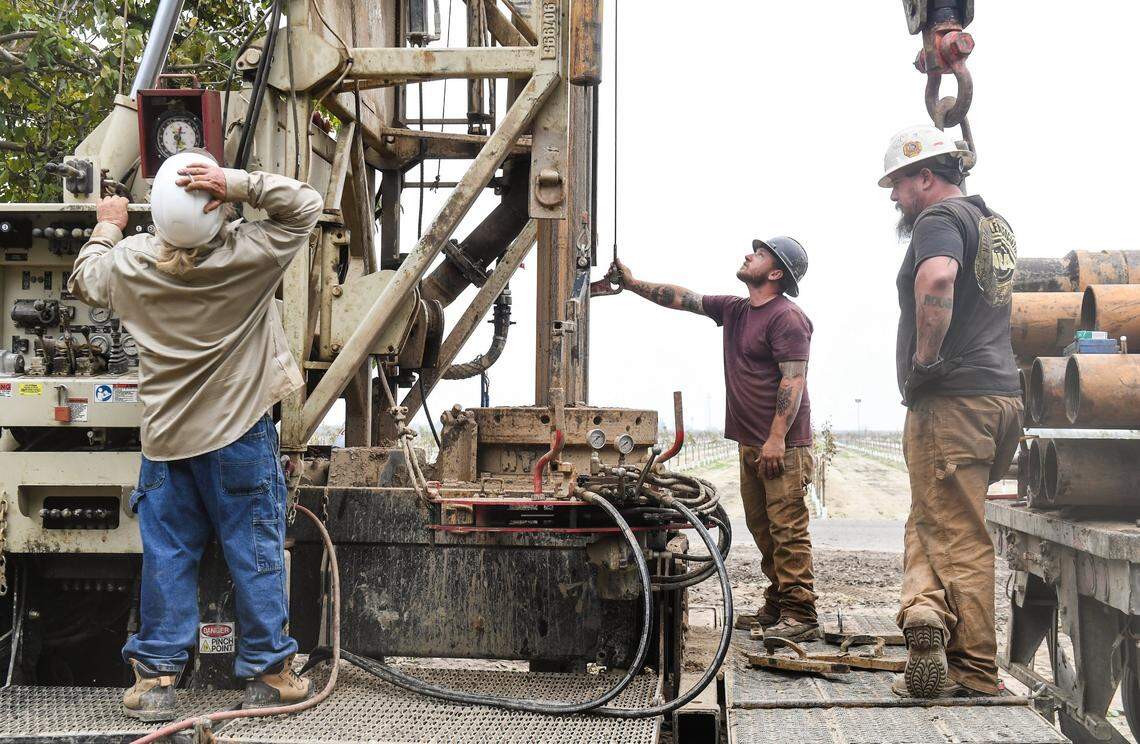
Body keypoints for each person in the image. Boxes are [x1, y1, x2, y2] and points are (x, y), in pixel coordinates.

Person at [69, 149, 323, 721]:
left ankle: (156, 679)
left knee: (167, 557)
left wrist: (108, 225)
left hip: (165, 443)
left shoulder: (129, 265)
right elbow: (306, 204)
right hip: (238, 436)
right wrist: (235, 182)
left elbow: (85, 277)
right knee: (254, 552)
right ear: (216, 210)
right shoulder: (251, 256)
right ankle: (269, 673)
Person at [613, 237, 820, 641]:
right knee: (763, 527)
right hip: (752, 443)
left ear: (776, 273)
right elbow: (683, 298)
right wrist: (633, 283)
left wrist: (777, 438)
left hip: (783, 446)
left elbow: (794, 379)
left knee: (788, 528)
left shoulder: (787, 317)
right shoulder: (737, 310)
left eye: (759, 254)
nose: (748, 254)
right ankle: (779, 602)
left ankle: (802, 613)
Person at [881, 125, 1022, 698]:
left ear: (925, 176)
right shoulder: (993, 223)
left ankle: (974, 670)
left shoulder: (938, 221)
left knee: (959, 531)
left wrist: (925, 360)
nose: (893, 197)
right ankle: (926, 612)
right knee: (933, 514)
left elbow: (937, 278)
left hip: (954, 401)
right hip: (999, 396)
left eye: (897, 184)